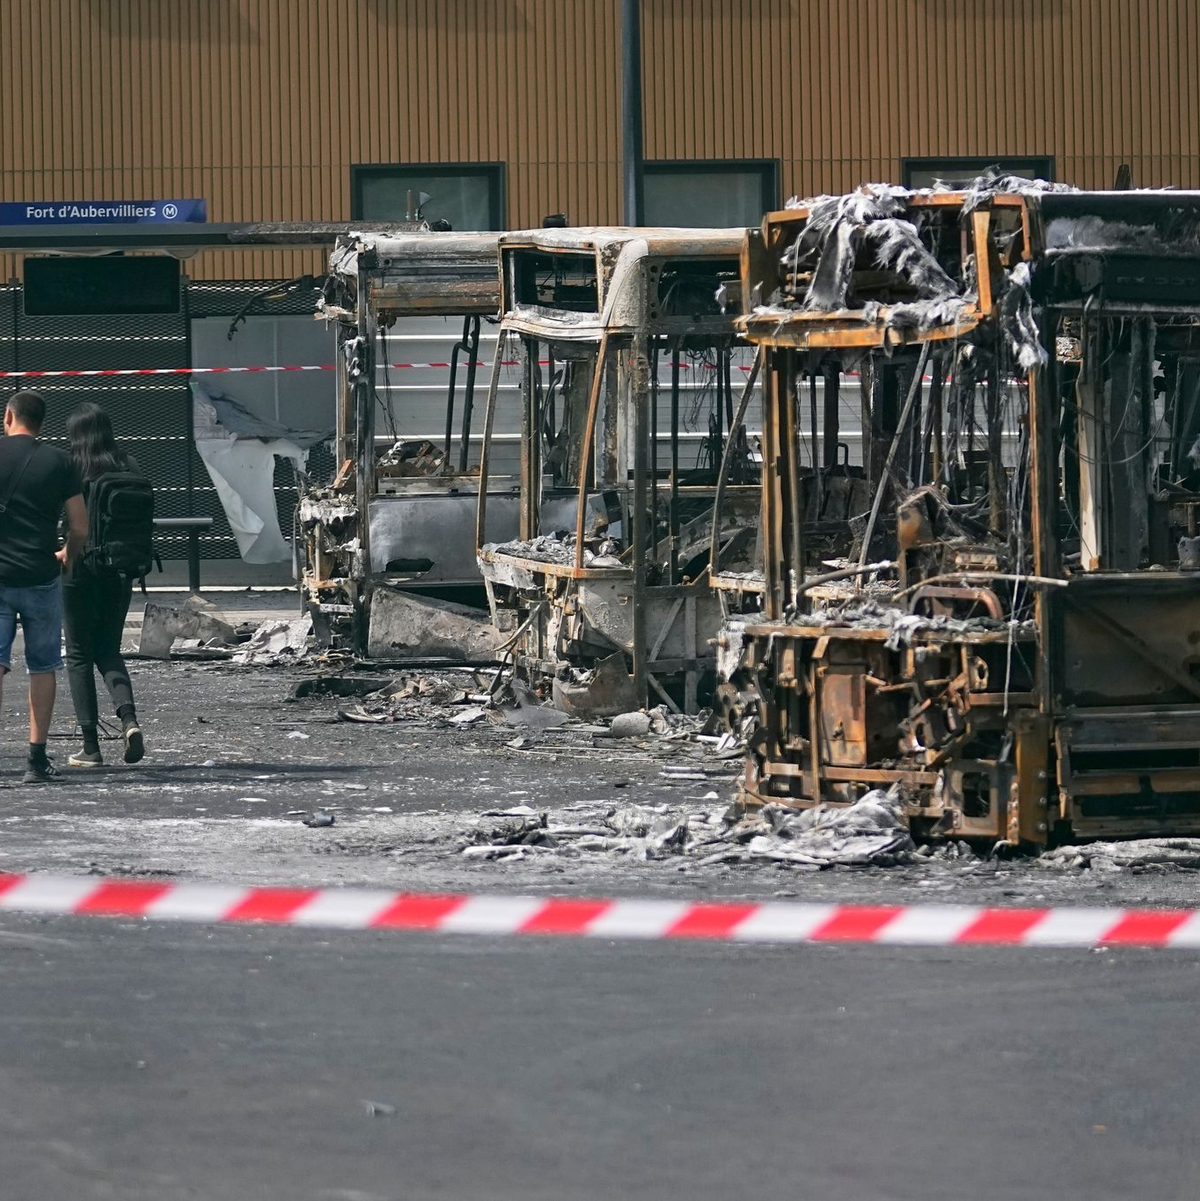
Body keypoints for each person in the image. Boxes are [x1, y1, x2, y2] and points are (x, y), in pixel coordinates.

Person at [0, 390, 87, 783]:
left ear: (8, 417)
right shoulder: (59, 461)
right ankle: (36, 759)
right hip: (40, 576)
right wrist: (66, 552)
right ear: (41, 424)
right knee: (43, 666)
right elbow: (80, 526)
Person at [62, 402, 147, 768]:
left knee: (79, 654)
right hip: (120, 570)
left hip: (80, 570)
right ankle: (129, 722)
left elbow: (62, 519)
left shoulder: (71, 467)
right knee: (109, 650)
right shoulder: (129, 464)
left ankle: (90, 747)